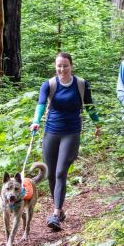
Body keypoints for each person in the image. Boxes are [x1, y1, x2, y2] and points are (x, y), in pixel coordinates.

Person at [30, 52, 100, 231]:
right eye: (59, 66)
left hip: (71, 132)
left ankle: (55, 212)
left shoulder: (81, 84)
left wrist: (98, 124)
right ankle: (59, 210)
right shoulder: (49, 84)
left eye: (65, 66)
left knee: (61, 172)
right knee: (51, 174)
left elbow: (89, 105)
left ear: (72, 66)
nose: (62, 69)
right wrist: (36, 121)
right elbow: (40, 104)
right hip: (51, 132)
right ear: (55, 66)